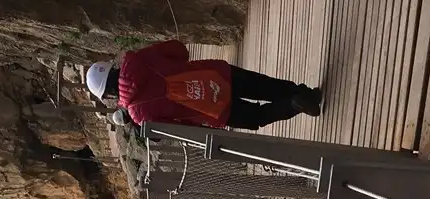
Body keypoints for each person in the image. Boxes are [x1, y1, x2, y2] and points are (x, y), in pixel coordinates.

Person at [86, 41, 322, 131]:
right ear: (112, 67)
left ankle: (293, 105)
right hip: (214, 74)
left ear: (107, 94)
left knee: (256, 116)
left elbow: (177, 129)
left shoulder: (138, 114)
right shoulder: (140, 58)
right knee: (262, 85)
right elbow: (179, 50)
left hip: (212, 108)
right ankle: (303, 93)